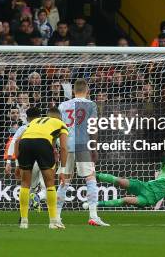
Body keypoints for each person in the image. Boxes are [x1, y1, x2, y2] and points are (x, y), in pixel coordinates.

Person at [56, 79, 109, 226]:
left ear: (73, 91)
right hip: (82, 145)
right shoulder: (91, 105)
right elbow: (93, 128)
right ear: (87, 90)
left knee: (64, 182)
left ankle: (57, 217)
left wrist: (57, 147)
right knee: (90, 179)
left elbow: (57, 128)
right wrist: (94, 148)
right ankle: (93, 215)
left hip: (66, 146)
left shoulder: (62, 105)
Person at [15, 106, 68, 229]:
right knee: (49, 183)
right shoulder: (61, 124)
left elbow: (17, 140)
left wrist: (18, 163)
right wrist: (63, 170)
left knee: (25, 184)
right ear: (60, 117)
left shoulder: (35, 122)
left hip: (25, 143)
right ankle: (53, 221)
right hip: (42, 143)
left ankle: (24, 221)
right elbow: (64, 148)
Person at [4, 107, 47, 211]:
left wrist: (9, 162)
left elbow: (13, 143)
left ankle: (24, 214)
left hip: (26, 160)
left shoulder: (23, 128)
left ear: (27, 118)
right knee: (47, 188)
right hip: (44, 159)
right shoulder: (45, 128)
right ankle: (39, 198)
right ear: (40, 117)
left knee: (27, 187)